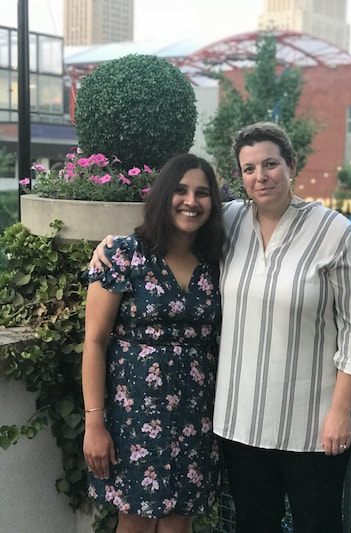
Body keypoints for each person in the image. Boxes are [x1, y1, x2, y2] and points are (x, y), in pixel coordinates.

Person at [90, 122, 351, 533]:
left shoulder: (336, 233)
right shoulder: (231, 222)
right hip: (240, 420)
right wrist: (112, 242)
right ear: (240, 177)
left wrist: (341, 412)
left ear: (292, 165)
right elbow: (174, 220)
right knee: (254, 523)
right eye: (248, 168)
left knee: (318, 522)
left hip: (313, 421)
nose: (261, 176)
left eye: (271, 164)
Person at [82, 153, 224, 533]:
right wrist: (94, 423)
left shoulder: (217, 261)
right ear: (163, 195)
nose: (191, 201)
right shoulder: (122, 254)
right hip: (134, 417)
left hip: (197, 416)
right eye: (180, 190)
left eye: (202, 193)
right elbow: (95, 341)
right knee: (136, 523)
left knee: (179, 525)